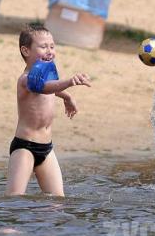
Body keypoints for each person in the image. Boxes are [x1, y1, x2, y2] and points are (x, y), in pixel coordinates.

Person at [6, 24, 91, 196]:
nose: (49, 51)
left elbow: (51, 87)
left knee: (57, 201)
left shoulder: (45, 79)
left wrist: (67, 97)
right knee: (13, 200)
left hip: (47, 148)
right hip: (25, 147)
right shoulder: (25, 79)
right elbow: (43, 87)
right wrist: (70, 82)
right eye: (43, 47)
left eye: (52, 46)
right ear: (26, 51)